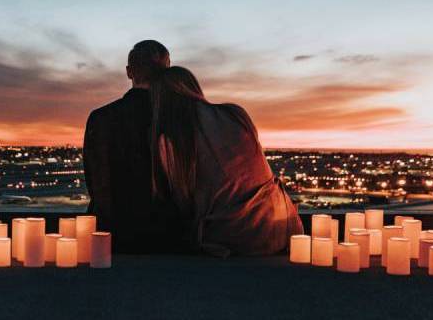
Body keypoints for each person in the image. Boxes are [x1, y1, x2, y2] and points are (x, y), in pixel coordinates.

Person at [150, 66, 303, 256]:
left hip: (235, 237)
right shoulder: (236, 113)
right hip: (284, 227)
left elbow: (184, 203)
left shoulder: (172, 141)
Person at [82, 40, 184, 252]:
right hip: (168, 236)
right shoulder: (179, 118)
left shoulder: (100, 118)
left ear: (129, 72)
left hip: (112, 235)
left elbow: (96, 184)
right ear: (167, 72)